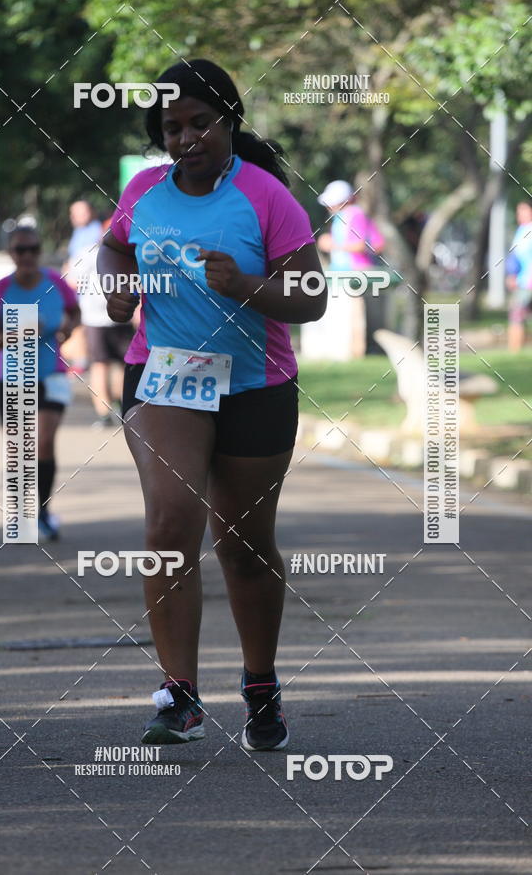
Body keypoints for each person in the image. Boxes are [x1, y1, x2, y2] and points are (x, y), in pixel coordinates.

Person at [97, 58, 326, 751]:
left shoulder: (265, 197)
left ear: (229, 122)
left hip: (255, 384)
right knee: (171, 520)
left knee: (243, 546)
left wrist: (248, 287)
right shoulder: (143, 190)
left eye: (201, 122)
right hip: (164, 376)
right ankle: (180, 694)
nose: (187, 138)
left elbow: (311, 298)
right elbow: (113, 249)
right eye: (172, 127)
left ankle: (260, 683)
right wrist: (117, 288)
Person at [0, 225, 81, 541]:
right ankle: (21, 514)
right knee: (19, 449)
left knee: (44, 442)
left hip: (51, 374)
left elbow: (74, 313)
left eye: (32, 249)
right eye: (20, 250)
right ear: (11, 254)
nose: (26, 256)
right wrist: (18, 333)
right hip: (11, 378)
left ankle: (44, 512)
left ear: (40, 251)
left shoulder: (56, 284)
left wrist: (68, 328)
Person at [75, 217, 135, 427]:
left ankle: (114, 409)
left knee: (117, 365)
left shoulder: (128, 251)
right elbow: (73, 281)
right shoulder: (89, 253)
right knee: (104, 365)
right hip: (97, 319)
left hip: (119, 317)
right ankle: (107, 412)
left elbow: (72, 281)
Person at [316, 179, 385, 355]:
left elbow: (361, 245)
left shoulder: (354, 214)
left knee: (353, 314)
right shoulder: (342, 217)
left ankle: (356, 351)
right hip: (344, 271)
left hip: (356, 270)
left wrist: (332, 245)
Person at [62, 200, 103, 374]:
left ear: (91, 212)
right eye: (73, 213)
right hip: (76, 286)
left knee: (81, 323)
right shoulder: (79, 232)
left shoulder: (95, 231)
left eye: (80, 212)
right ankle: (83, 360)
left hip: (88, 288)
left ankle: (83, 362)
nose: (74, 217)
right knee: (78, 324)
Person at [506, 200, 532, 352]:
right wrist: (512, 275)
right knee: (518, 315)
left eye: (524, 210)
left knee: (516, 316)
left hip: (527, 283)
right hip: (522, 282)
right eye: (518, 211)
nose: (520, 214)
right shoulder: (522, 230)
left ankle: (514, 350)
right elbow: (515, 257)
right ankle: (515, 350)